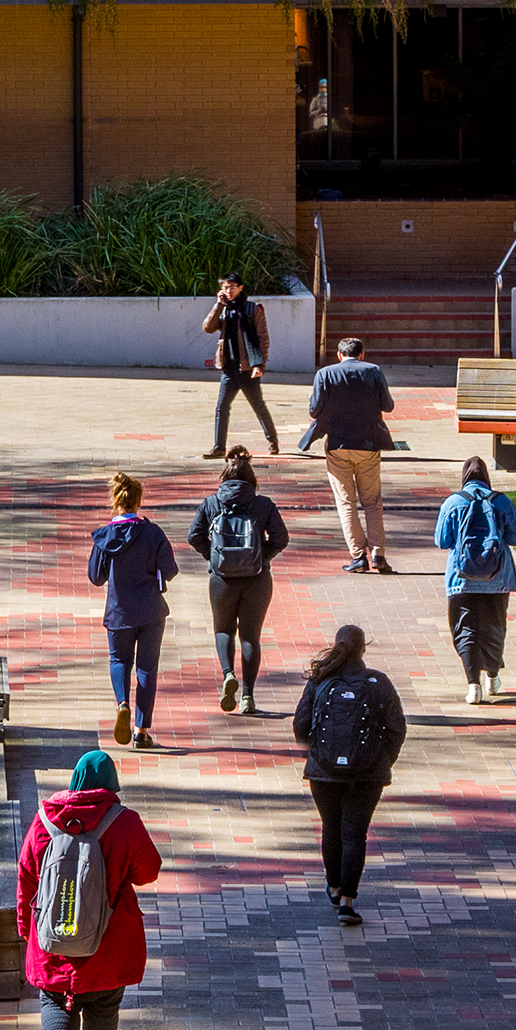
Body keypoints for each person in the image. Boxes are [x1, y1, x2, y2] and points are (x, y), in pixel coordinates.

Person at [15, 750, 163, 1030]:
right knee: (103, 1004)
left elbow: (26, 876)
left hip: (53, 935)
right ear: (111, 784)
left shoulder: (44, 821)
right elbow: (148, 871)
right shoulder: (124, 821)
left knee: (54, 999)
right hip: (107, 939)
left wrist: (25, 926)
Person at [293, 624, 406, 928]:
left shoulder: (320, 680)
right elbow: (397, 728)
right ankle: (348, 902)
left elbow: (300, 724)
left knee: (331, 828)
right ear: (363, 649)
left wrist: (316, 753)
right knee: (355, 833)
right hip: (368, 774)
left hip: (323, 772)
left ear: (336, 645)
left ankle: (333, 887)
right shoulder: (378, 682)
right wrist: (383, 761)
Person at [185, 445, 291, 715]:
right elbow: (281, 538)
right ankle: (248, 696)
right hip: (257, 578)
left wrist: (213, 557)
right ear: (252, 479)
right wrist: (262, 556)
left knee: (223, 629)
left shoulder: (211, 503)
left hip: (222, 579)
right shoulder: (263, 504)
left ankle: (228, 674)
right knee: (251, 637)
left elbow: (193, 536)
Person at [88, 471, 178, 750]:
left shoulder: (106, 537)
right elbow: (170, 570)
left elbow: (96, 577)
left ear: (116, 501)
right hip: (151, 611)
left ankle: (122, 704)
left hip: (119, 612)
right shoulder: (153, 533)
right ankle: (141, 730)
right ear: (139, 502)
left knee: (119, 661)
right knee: (147, 669)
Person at [433, 457, 516, 705]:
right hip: (498, 578)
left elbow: (442, 541)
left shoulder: (454, 502)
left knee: (465, 630)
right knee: (495, 628)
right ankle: (493, 677)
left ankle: (473, 684)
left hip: (460, 579)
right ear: (486, 476)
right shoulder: (501, 501)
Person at [310, 337, 396, 574]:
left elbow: (313, 409)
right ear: (362, 354)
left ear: (339, 355)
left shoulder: (325, 374)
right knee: (372, 503)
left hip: (338, 444)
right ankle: (378, 554)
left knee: (346, 502)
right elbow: (387, 406)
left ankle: (358, 556)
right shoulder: (374, 371)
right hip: (368, 444)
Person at [202, 273, 279, 458]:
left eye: (232, 287)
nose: (228, 291)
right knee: (222, 407)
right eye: (225, 287)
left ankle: (273, 441)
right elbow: (208, 327)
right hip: (229, 366)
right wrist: (218, 304)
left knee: (258, 406)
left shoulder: (253, 309)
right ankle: (219, 447)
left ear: (241, 287)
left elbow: (263, 338)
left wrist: (260, 364)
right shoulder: (225, 309)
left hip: (248, 367)